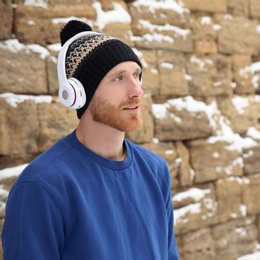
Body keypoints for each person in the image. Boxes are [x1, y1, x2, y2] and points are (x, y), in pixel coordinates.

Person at [2, 20, 179, 260]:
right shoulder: (42, 186)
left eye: (137, 75)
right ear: (78, 93)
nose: (137, 90)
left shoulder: (155, 170)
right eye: (118, 78)